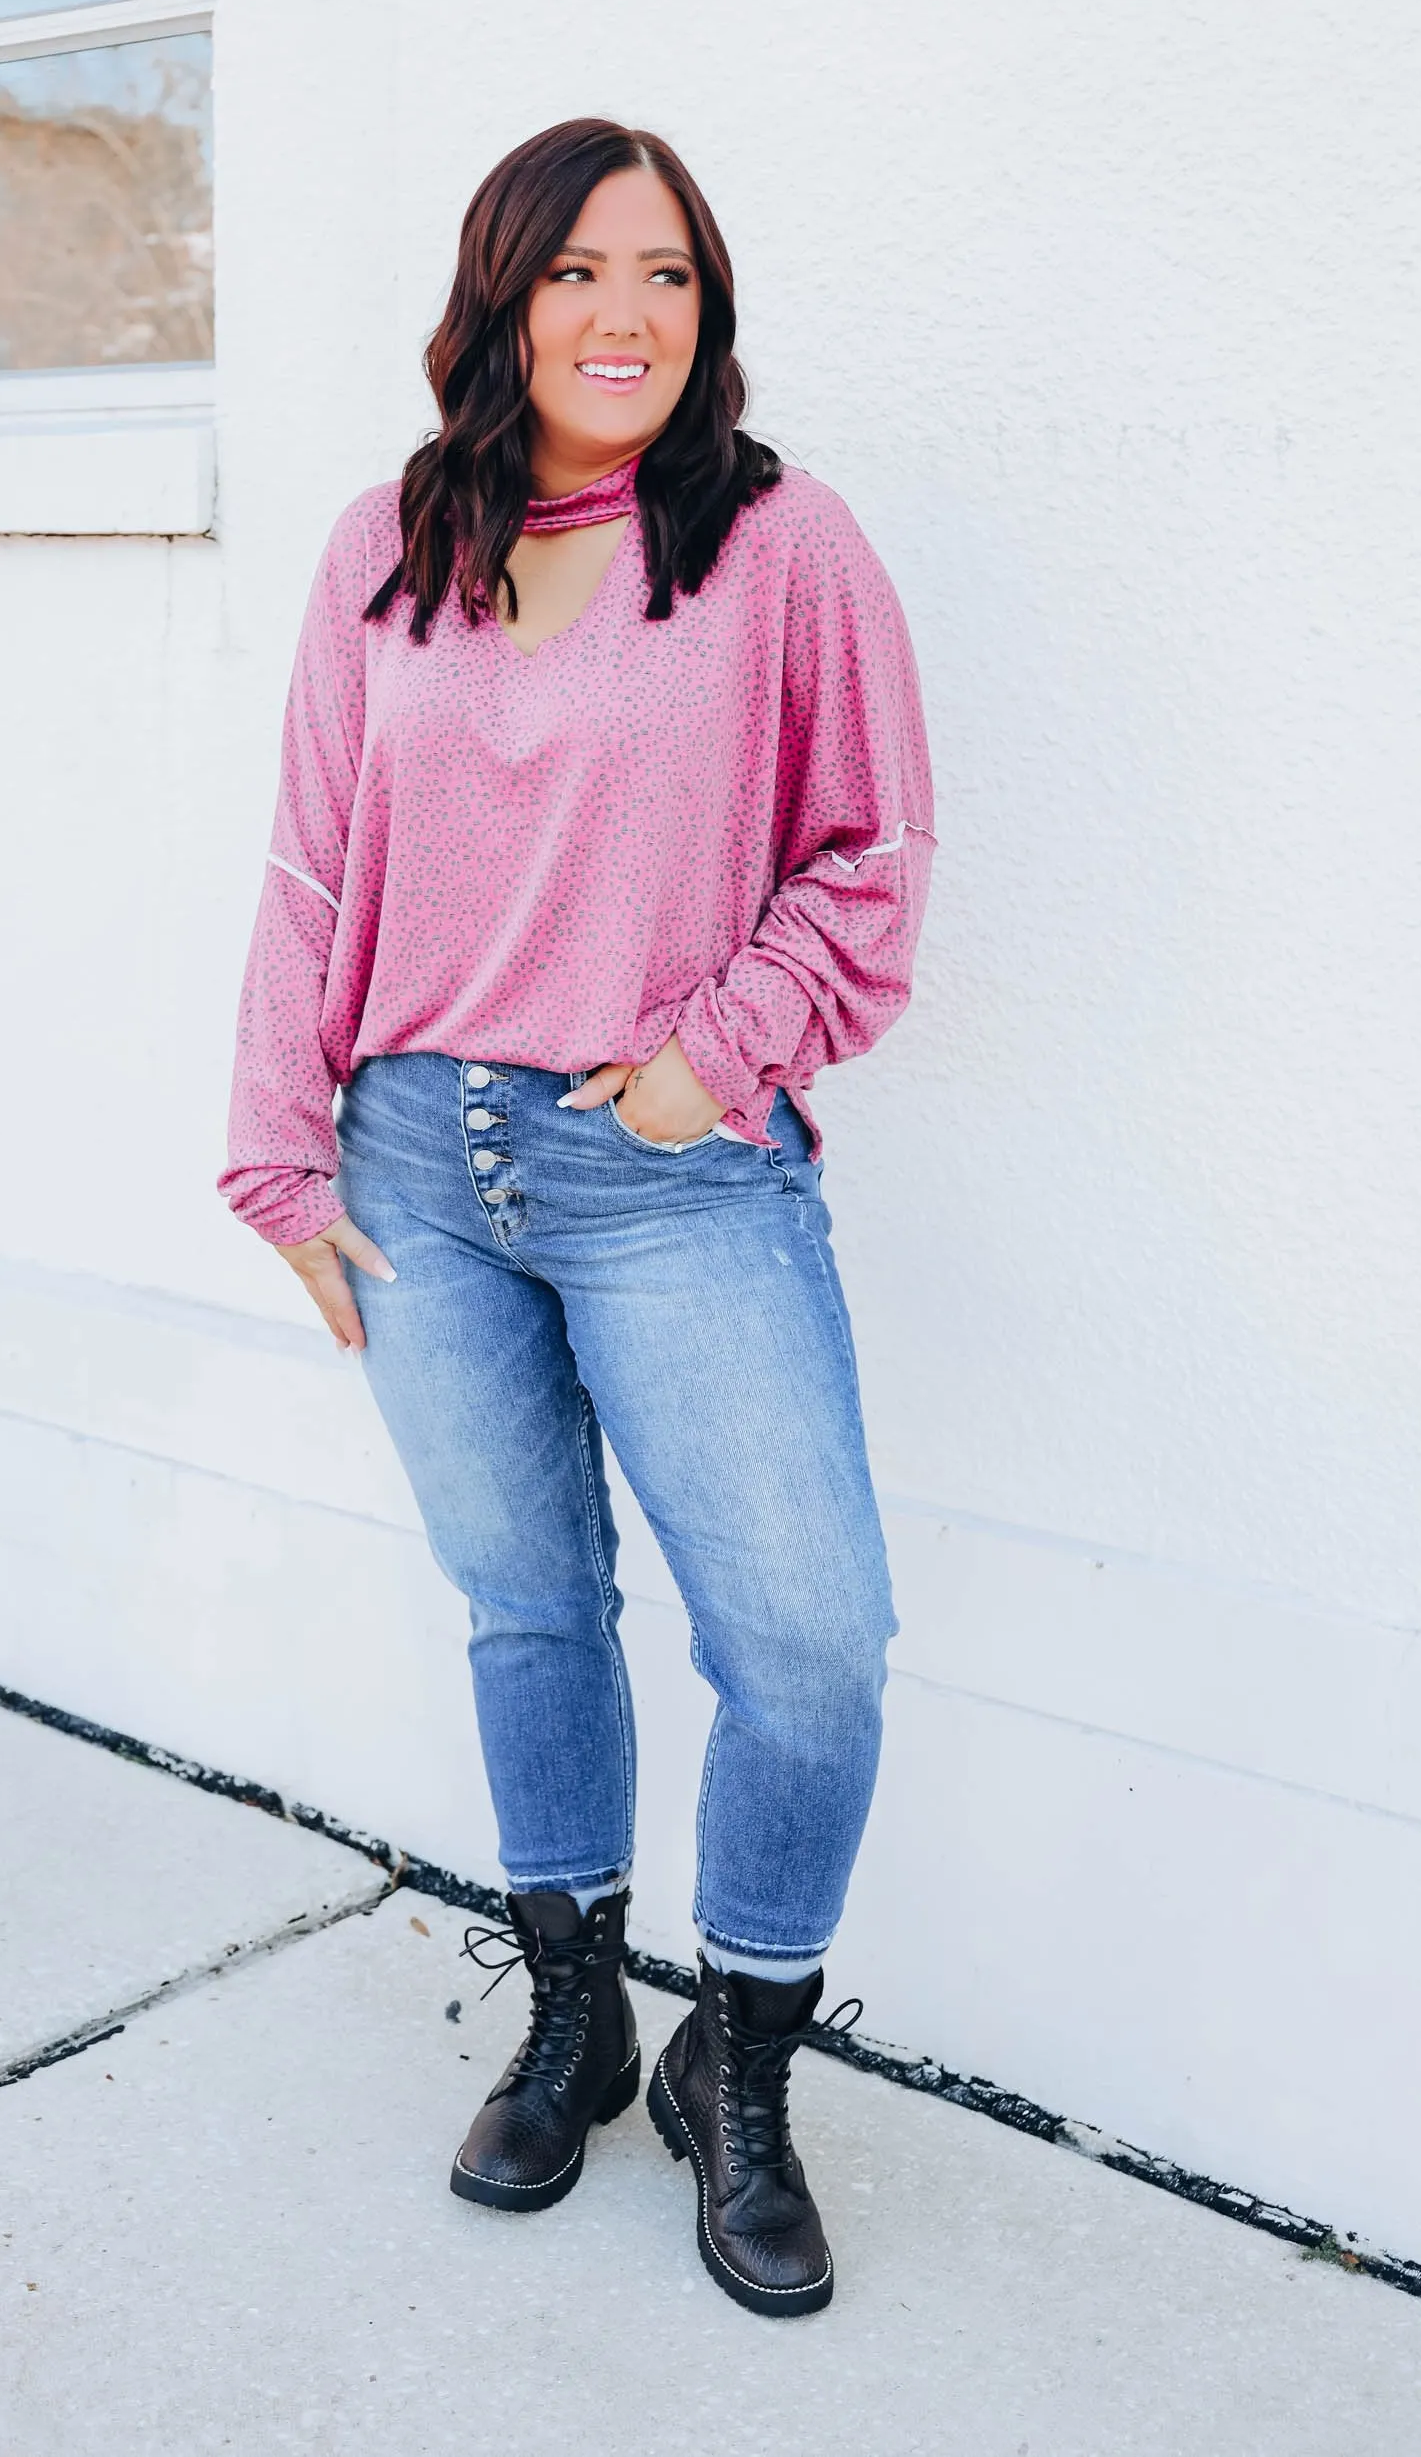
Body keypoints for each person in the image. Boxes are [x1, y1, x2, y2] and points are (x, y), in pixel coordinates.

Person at [221, 118, 933, 2317]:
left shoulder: (779, 546)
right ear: (505, 296)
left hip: (671, 1168)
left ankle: (743, 2065)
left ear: (705, 316)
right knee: (529, 1608)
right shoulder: (385, 544)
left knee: (808, 1646)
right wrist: (276, 1154)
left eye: (671, 278)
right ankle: (572, 2010)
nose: (626, 316)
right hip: (417, 1159)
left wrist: (705, 1063)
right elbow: (313, 868)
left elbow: (870, 857)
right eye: (583, 273)